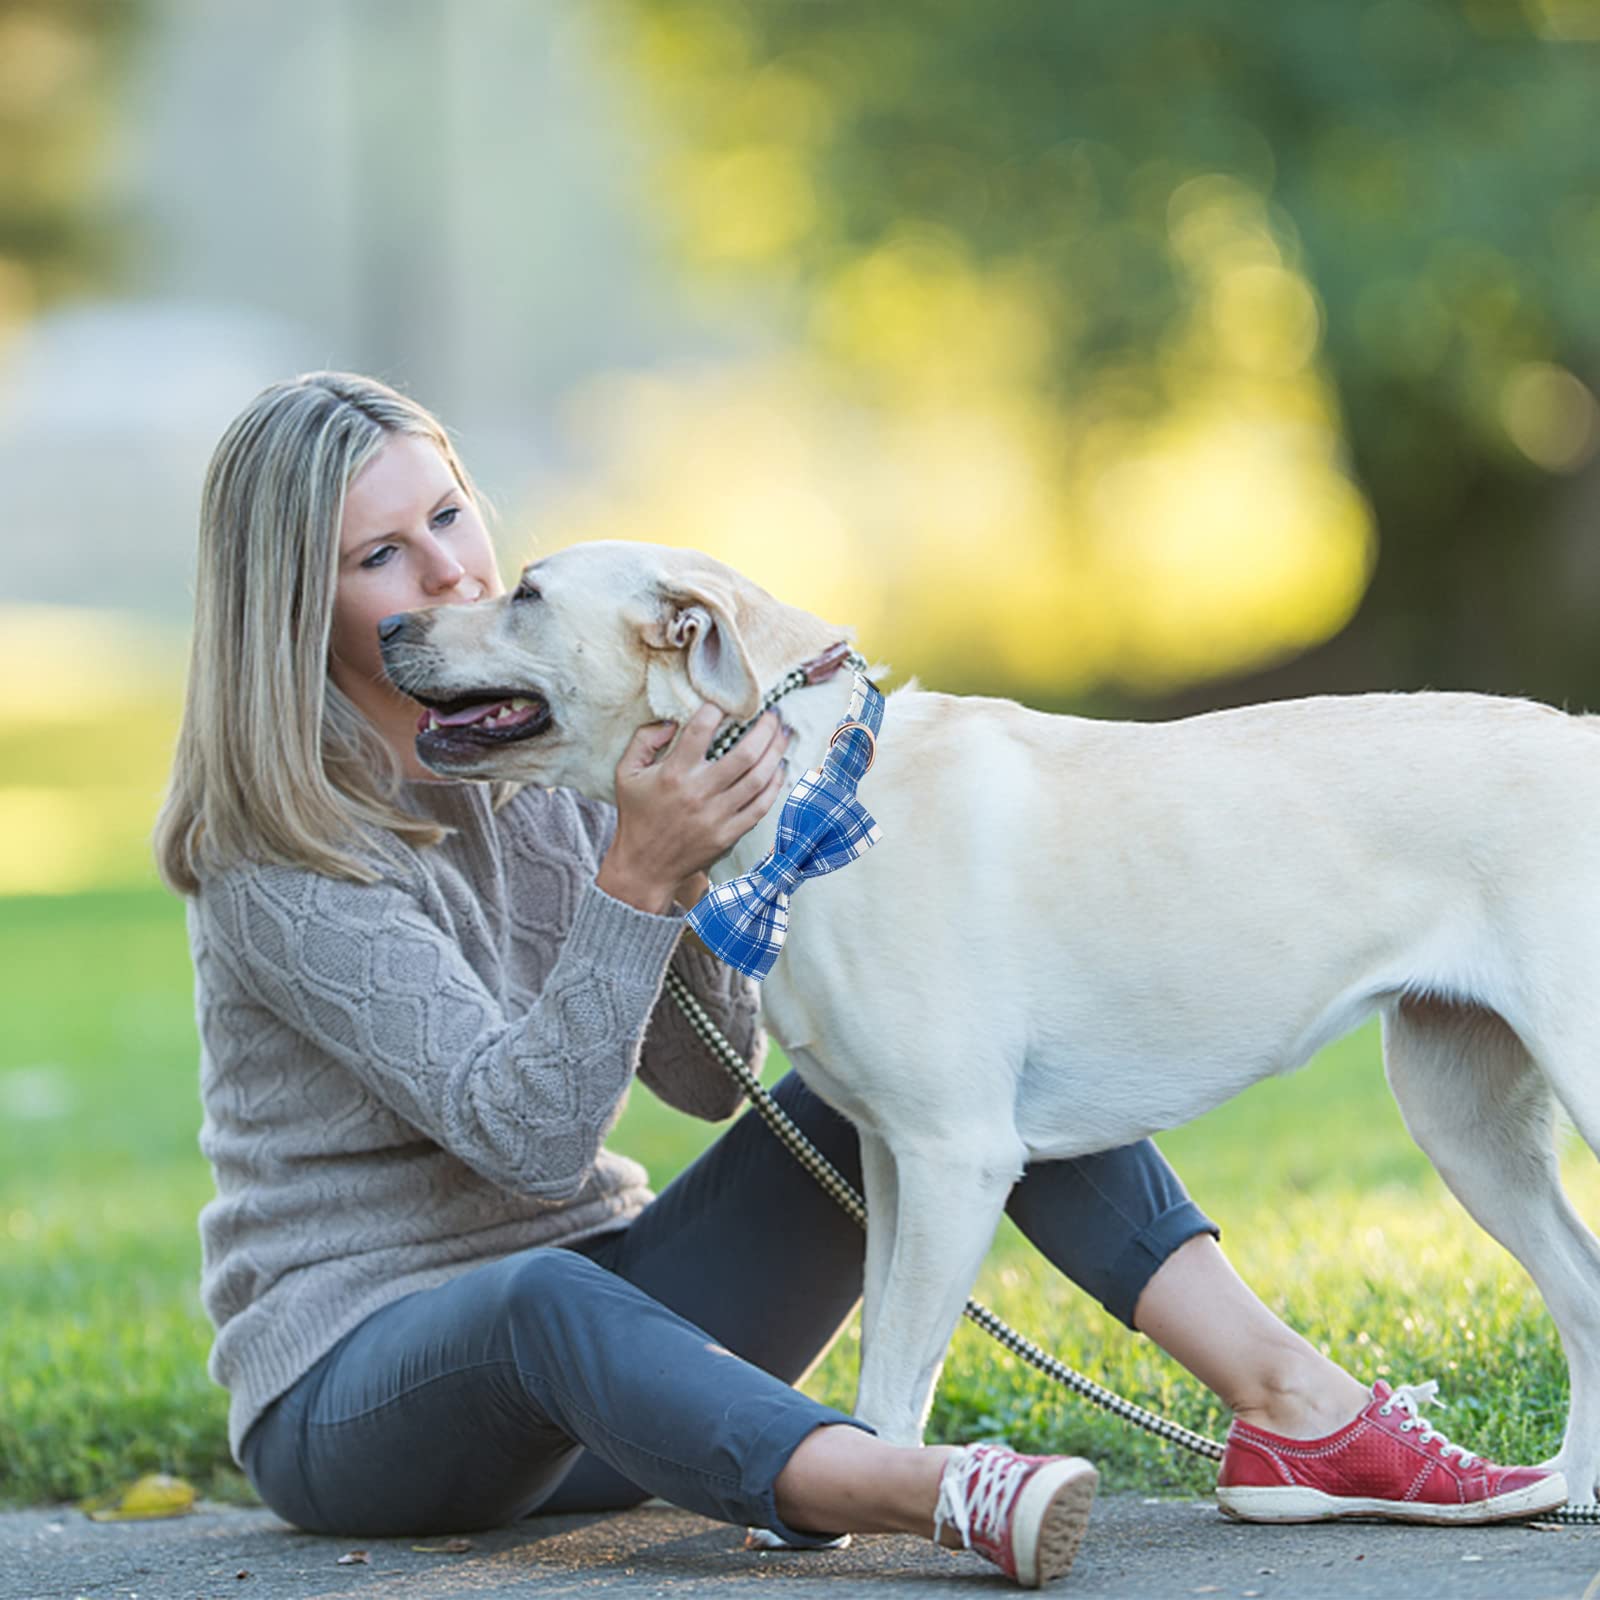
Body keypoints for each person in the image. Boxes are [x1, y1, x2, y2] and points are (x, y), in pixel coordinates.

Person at [153, 372, 1564, 1590]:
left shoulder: (553, 750)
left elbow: (710, 1087)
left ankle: (1294, 1406)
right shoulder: (276, 855)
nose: (451, 576)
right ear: (298, 604)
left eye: (451, 518)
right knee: (539, 1298)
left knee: (945, 1049)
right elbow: (526, 1136)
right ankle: (912, 1488)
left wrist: (717, 871)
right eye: (381, 558)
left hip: (628, 1351)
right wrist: (639, 884)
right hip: (370, 1399)